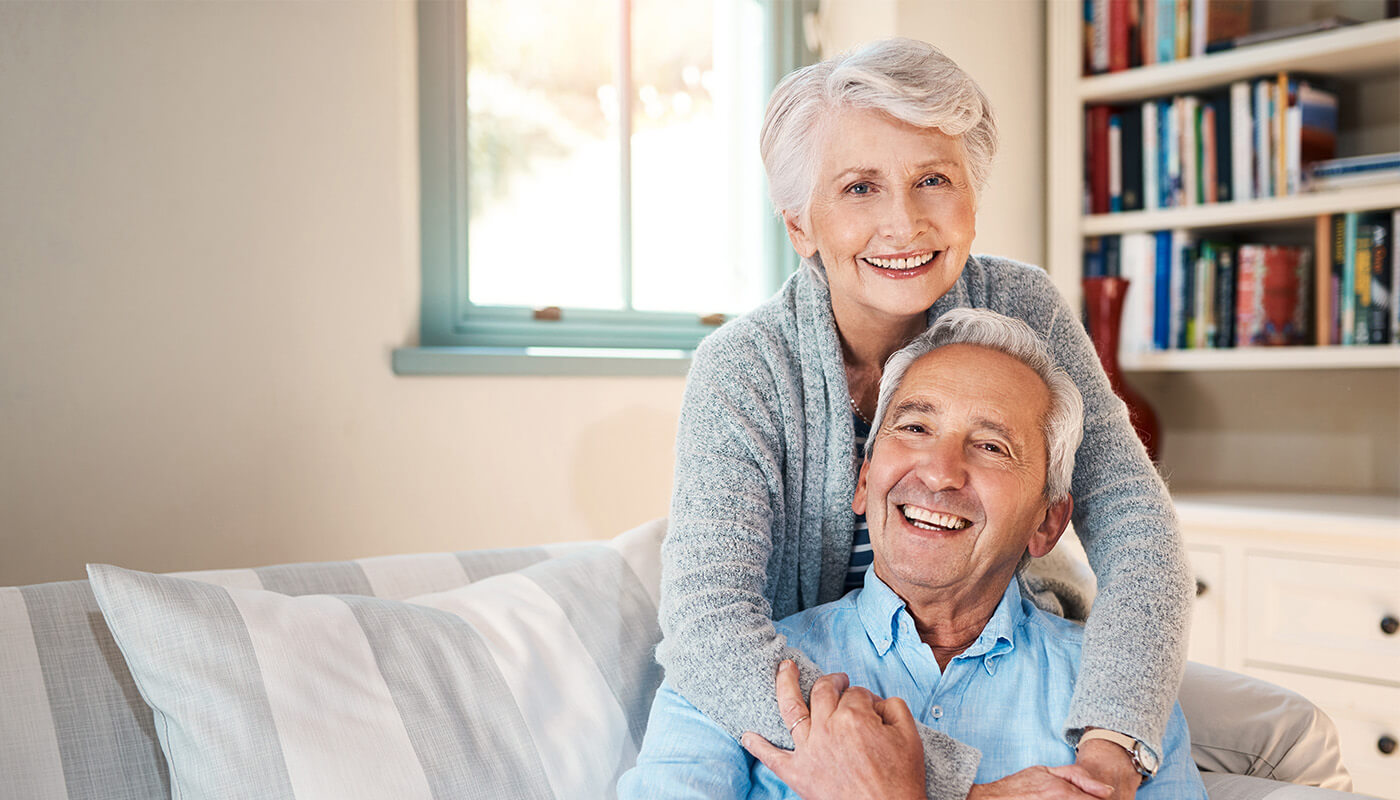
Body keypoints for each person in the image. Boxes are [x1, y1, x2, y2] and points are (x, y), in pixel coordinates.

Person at [658, 38, 1192, 799]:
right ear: (801, 226)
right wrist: (943, 788)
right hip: (813, 681)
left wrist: (1112, 746)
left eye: (933, 179)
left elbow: (1137, 524)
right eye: (860, 188)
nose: (904, 225)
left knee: (1244, 726)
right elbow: (709, 628)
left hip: (1005, 650)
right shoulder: (744, 366)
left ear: (973, 196)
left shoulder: (1024, 306)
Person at [625, 310, 1209, 799]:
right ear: (863, 480)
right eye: (914, 428)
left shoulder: (1119, 712)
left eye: (991, 445)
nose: (939, 470)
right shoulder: (735, 677)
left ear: (1047, 521)